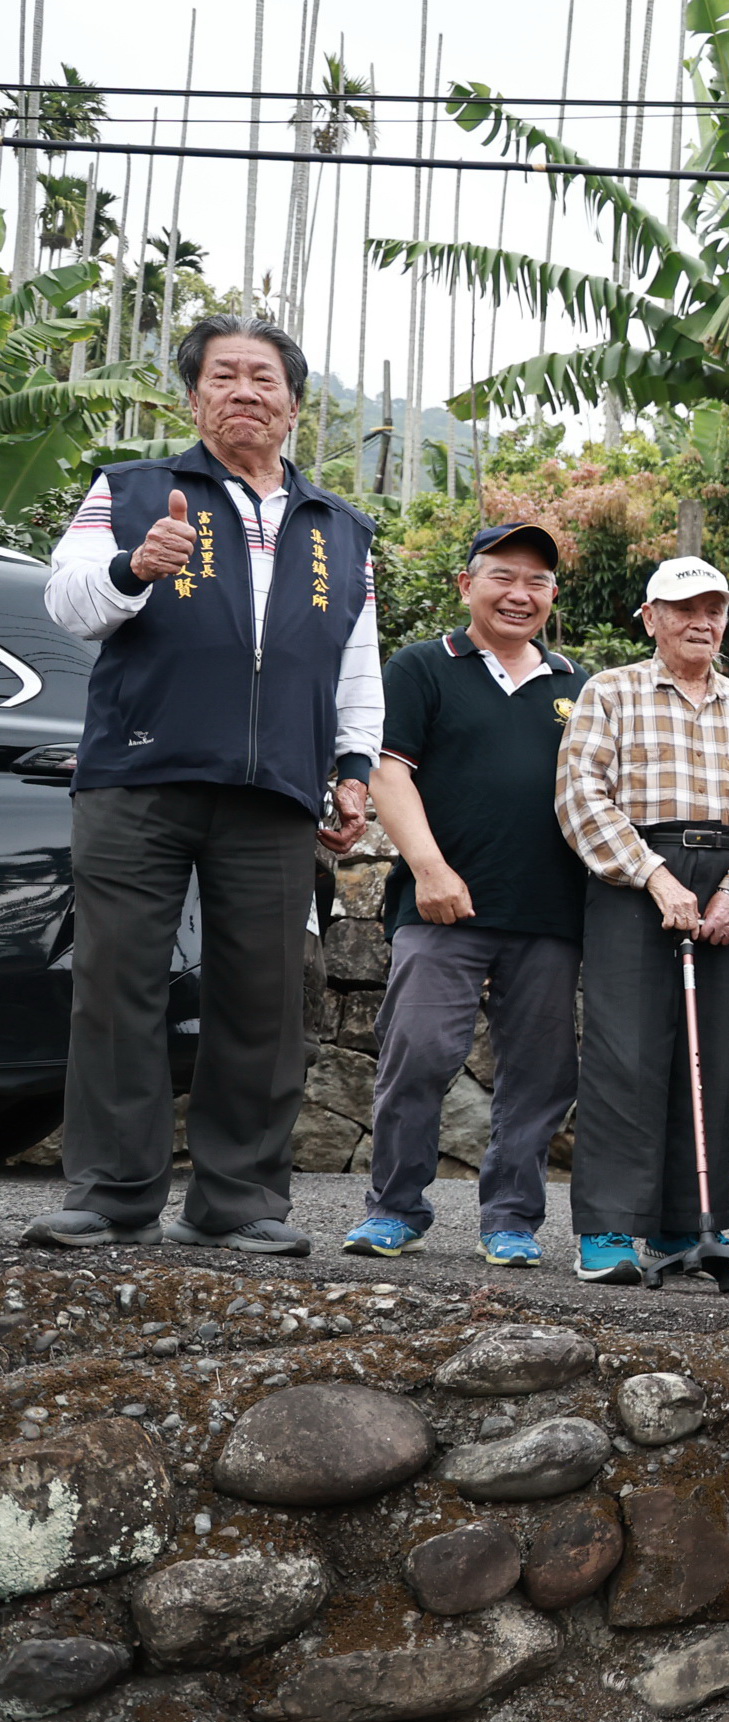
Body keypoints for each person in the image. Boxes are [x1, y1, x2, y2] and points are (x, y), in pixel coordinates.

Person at [26, 314, 380, 1256]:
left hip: (275, 791)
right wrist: (131, 567)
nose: (245, 393)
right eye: (223, 376)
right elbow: (67, 602)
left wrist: (351, 769)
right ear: (194, 396)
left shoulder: (340, 529)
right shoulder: (134, 488)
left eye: (264, 379)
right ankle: (110, 1195)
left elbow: (355, 664)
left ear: (294, 404)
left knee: (263, 997)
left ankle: (240, 1201)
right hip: (138, 775)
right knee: (117, 984)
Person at [345, 523, 588, 1267]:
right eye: (503, 576)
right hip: (440, 905)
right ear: (466, 585)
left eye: (538, 582)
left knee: (540, 1076)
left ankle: (511, 1218)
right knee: (418, 1052)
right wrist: (430, 868)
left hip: (552, 912)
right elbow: (389, 773)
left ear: (551, 595)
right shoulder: (422, 667)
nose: (520, 594)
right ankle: (394, 1207)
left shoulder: (579, 684)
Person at [553, 557, 729, 1287]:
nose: (704, 621)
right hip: (635, 874)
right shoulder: (610, 691)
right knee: (624, 1055)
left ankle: (689, 1227)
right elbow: (581, 796)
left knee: (712, 1055)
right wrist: (654, 876)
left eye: (715, 608)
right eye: (686, 606)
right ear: (650, 616)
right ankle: (607, 1231)